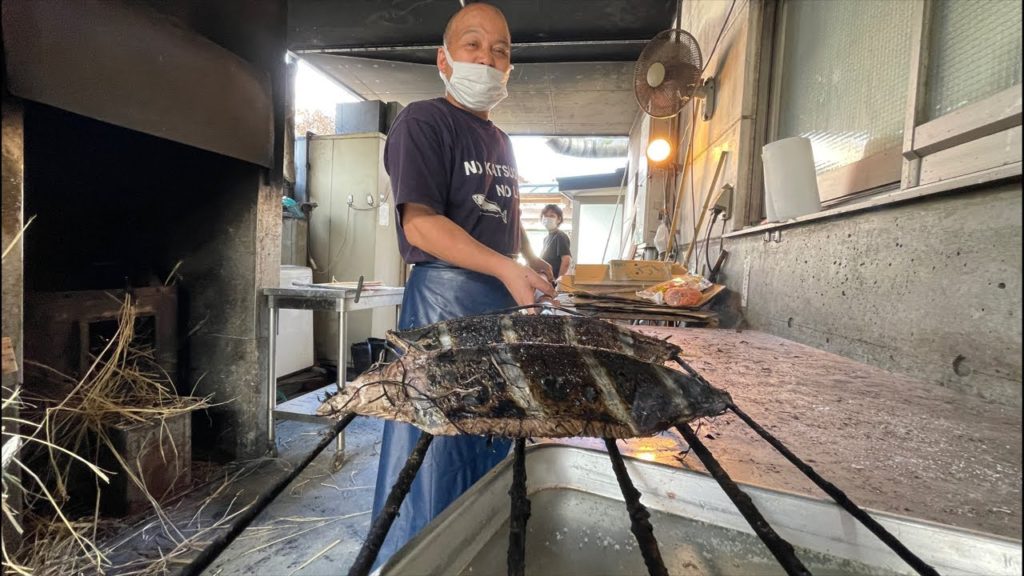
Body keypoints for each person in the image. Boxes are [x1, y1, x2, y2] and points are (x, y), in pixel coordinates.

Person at [369, 2, 554, 567]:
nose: (488, 58)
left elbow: (504, 220)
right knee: (437, 449)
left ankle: (482, 555)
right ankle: (420, 559)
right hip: (444, 306)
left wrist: (528, 261)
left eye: (501, 50)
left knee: (492, 439)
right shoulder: (423, 122)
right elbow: (421, 223)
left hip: (498, 309)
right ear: (443, 59)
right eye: (473, 45)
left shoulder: (500, 141)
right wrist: (503, 268)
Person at [539, 204, 571, 284]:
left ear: (559, 219)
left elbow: (566, 261)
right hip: (544, 280)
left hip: (553, 282)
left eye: (552, 216)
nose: (548, 218)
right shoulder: (546, 239)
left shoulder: (560, 236)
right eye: (545, 216)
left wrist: (558, 282)